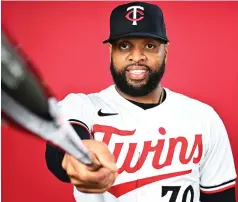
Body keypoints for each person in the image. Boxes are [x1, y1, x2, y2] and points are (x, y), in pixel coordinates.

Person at [45, 1, 237, 202]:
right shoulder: (82, 106)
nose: (137, 57)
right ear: (111, 52)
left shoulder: (203, 117)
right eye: (124, 46)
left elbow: (221, 198)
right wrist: (79, 154)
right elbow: (62, 141)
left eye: (150, 45)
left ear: (165, 51)